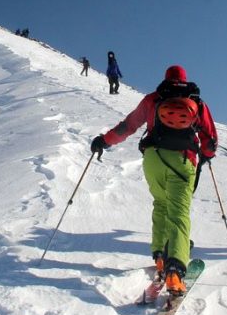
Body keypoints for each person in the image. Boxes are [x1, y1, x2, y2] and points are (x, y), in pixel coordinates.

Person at [91, 65, 218, 294]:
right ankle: (175, 269)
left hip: (153, 159)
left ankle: (160, 255)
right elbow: (210, 140)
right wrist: (206, 156)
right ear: (185, 80)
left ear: (166, 79)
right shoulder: (197, 103)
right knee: (179, 213)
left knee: (161, 203)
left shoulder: (153, 99)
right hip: (182, 161)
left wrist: (104, 141)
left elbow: (128, 126)